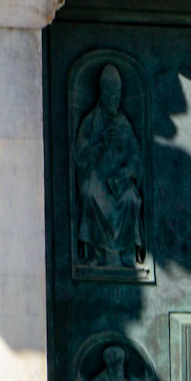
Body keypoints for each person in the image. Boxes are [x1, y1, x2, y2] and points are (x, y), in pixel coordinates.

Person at [73, 64, 146, 268]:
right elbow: (80, 156)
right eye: (112, 97)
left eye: (118, 96)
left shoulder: (124, 124)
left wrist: (127, 173)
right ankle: (97, 254)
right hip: (97, 178)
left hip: (119, 183)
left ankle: (127, 253)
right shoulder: (90, 123)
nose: (116, 101)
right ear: (103, 96)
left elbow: (137, 159)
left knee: (131, 199)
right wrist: (99, 145)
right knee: (89, 193)